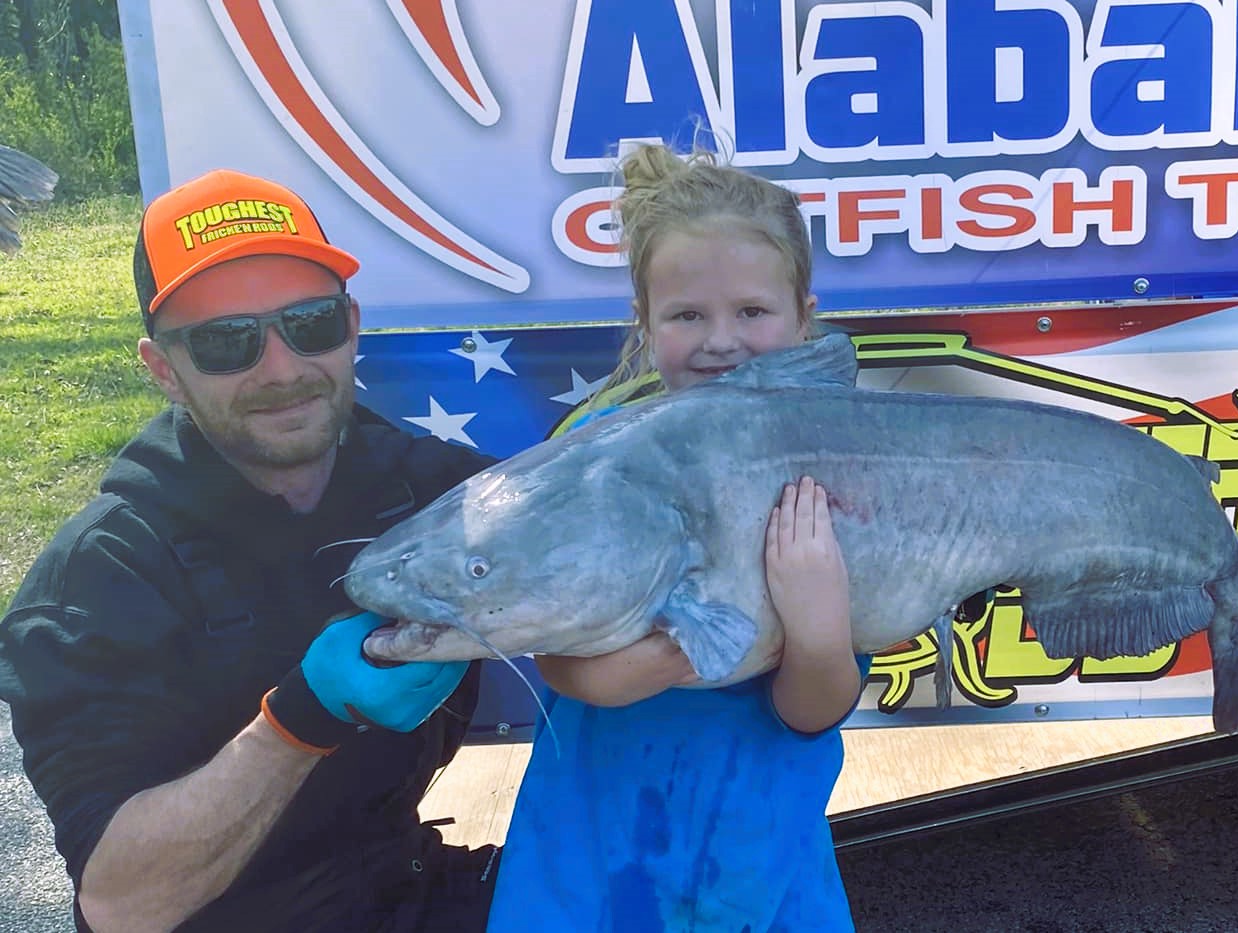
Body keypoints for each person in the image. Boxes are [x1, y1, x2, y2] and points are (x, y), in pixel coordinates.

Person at [0, 169, 502, 933]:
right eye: (226, 341)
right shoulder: (98, 582)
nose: (282, 369)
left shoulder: (425, 491)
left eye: (311, 324)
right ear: (164, 369)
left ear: (352, 326)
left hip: (404, 889)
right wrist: (299, 719)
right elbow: (120, 905)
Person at [488, 144, 870, 932]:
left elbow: (813, 709)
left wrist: (817, 631)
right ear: (646, 322)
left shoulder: (843, 466)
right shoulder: (594, 452)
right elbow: (562, 658)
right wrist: (710, 633)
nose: (719, 341)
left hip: (760, 872)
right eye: (688, 315)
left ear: (804, 317)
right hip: (586, 869)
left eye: (752, 313)